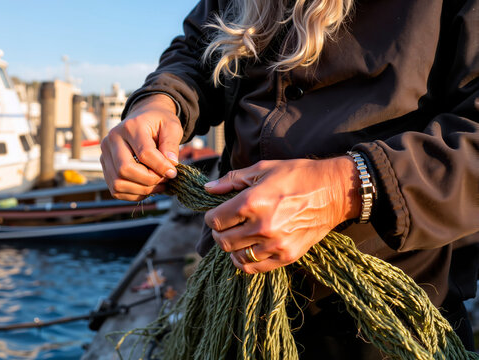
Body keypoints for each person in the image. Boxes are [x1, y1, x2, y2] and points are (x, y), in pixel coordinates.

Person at [99, 0, 479, 357]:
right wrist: (161, 101)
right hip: (233, 299)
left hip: (390, 319)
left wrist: (346, 186)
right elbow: (199, 47)